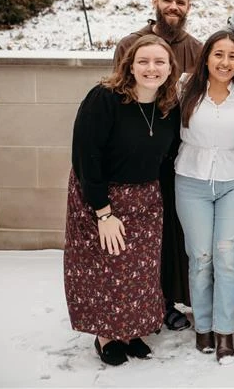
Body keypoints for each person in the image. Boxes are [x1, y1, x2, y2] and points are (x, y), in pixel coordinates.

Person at [64, 34, 181, 366]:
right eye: (143, 61)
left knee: (139, 271)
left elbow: (168, 156)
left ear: (170, 67)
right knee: (107, 267)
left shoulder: (168, 104)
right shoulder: (104, 98)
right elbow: (86, 156)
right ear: (130, 65)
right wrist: (103, 212)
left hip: (145, 197)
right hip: (101, 196)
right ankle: (107, 335)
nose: (151, 68)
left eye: (160, 62)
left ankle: (131, 331)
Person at [113, 0, 201, 332]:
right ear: (155, 1)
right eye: (168, 0)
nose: (173, 7)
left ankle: (171, 300)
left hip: (179, 158)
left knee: (173, 237)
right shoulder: (130, 45)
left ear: (188, 7)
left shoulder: (197, 50)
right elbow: (117, 95)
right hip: (138, 159)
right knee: (141, 241)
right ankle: (145, 305)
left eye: (181, 2)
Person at [173, 31, 234, 364]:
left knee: (226, 254)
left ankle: (224, 331)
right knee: (201, 255)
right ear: (206, 57)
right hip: (191, 179)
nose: (225, 62)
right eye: (218, 54)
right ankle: (202, 325)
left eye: (232, 56)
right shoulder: (184, 87)